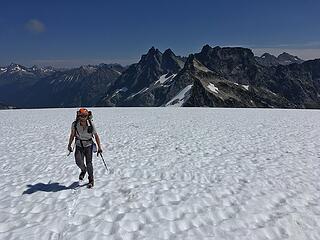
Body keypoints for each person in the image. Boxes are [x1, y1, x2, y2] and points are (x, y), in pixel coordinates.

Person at [67, 108, 102, 188]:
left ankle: (91, 179)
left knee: (89, 163)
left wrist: (99, 147)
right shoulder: (75, 124)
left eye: (85, 116)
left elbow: (96, 136)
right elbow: (72, 135)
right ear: (79, 116)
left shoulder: (91, 124)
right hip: (79, 144)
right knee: (78, 161)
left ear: (87, 116)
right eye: (82, 116)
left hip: (88, 145)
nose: (83, 117)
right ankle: (83, 170)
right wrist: (69, 145)